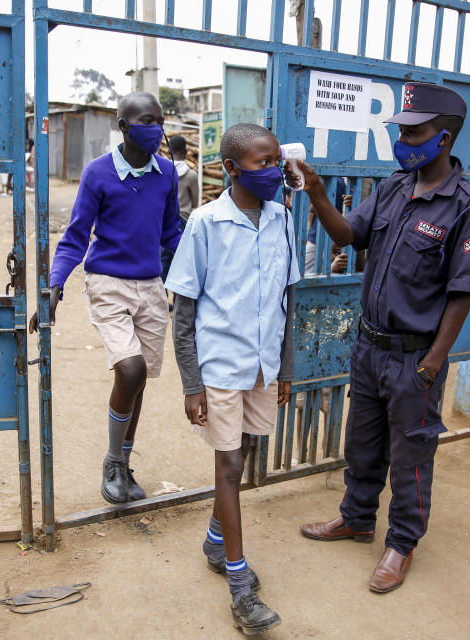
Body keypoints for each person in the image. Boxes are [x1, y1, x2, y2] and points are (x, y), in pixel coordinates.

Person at [289, 81, 470, 593]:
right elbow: (345, 235)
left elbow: (462, 293)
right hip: (370, 348)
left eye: (414, 131)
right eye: (401, 129)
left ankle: (401, 543)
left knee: (411, 458)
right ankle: (356, 518)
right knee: (362, 445)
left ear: (443, 137)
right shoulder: (394, 187)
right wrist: (315, 191)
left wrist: (432, 361)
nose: (403, 139)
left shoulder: (469, 207)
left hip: (413, 357)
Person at [166, 123, 296, 634]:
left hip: (262, 364)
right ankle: (240, 590)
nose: (273, 170)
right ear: (233, 168)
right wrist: (191, 383)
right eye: (262, 163)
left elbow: (287, 299)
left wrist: (284, 368)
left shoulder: (283, 219)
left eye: (275, 160)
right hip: (219, 363)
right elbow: (183, 312)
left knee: (247, 449)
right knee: (230, 463)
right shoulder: (205, 223)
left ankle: (216, 543)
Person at [28, 92, 181, 505]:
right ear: (124, 127)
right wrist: (55, 285)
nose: (157, 128)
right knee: (130, 371)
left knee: (140, 378)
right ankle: (113, 461)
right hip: (107, 282)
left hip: (151, 286)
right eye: (148, 120)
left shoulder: (166, 173)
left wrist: (200, 272)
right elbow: (76, 235)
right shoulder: (97, 173)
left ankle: (124, 462)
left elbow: (172, 235)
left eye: (160, 120)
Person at [160, 134, 199, 283]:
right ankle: (178, 301)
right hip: (183, 221)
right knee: (181, 261)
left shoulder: (163, 173)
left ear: (169, 150)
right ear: (186, 151)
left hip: (164, 220)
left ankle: (161, 297)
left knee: (163, 260)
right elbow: (195, 202)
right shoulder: (191, 175)